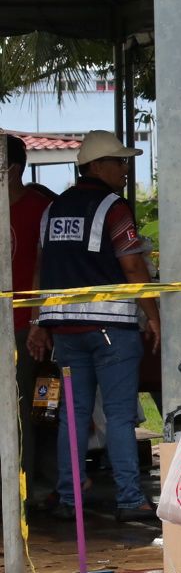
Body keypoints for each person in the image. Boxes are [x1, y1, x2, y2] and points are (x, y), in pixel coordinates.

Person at [28, 130, 161, 523]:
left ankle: (70, 497)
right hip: (111, 329)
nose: (124, 169)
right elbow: (134, 267)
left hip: (65, 331)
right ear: (97, 166)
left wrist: (39, 320)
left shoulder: (52, 210)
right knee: (119, 415)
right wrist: (153, 316)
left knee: (74, 414)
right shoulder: (113, 208)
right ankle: (130, 499)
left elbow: (41, 268)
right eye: (119, 162)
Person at [6, 135, 56, 496]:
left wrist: (40, 322)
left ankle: (25, 488)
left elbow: (46, 267)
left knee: (29, 408)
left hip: (27, 328)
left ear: (11, 171)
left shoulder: (42, 208)